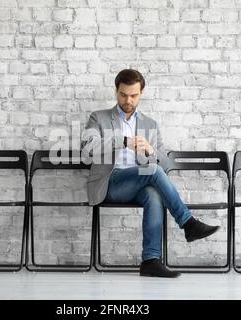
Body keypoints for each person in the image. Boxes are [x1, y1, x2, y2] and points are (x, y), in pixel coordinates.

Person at [81, 69, 220, 278]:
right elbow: (87, 150)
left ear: (142, 92)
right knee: (152, 171)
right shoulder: (98, 118)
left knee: (154, 194)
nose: (128, 100)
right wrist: (124, 141)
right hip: (110, 183)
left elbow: (164, 163)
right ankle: (188, 222)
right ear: (116, 91)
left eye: (133, 95)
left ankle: (150, 260)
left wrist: (152, 152)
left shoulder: (150, 125)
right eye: (123, 94)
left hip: (137, 184)